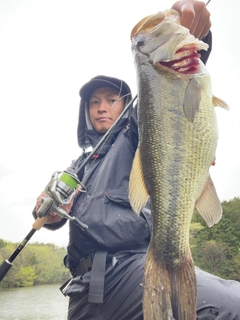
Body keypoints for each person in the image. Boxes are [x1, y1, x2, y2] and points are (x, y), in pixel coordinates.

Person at [34, 1, 240, 319]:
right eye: (94, 102)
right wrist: (47, 211)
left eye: (111, 99)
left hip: (133, 269)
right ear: (86, 112)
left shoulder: (134, 129)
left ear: (125, 104)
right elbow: (56, 214)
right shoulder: (78, 166)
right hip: (81, 288)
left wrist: (194, 35)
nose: (102, 107)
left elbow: (168, 97)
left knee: (230, 306)